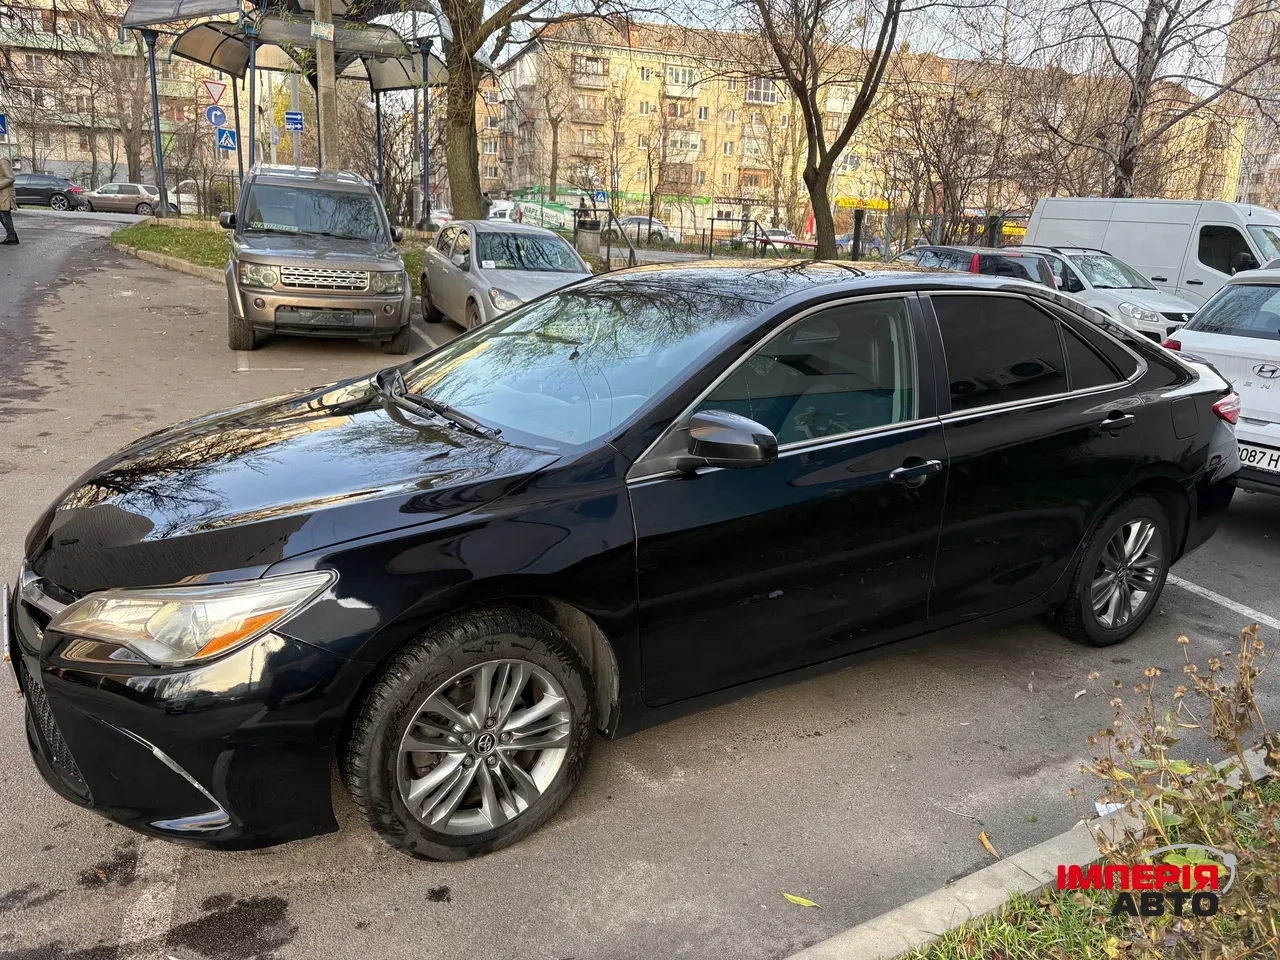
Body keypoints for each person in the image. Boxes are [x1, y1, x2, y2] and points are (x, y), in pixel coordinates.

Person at [0, 154, 17, 245]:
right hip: (2, 194)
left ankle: (12, 237)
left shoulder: (2, 162)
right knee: (2, 216)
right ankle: (12, 236)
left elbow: (11, 178)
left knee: (5, 216)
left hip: (5, 194)